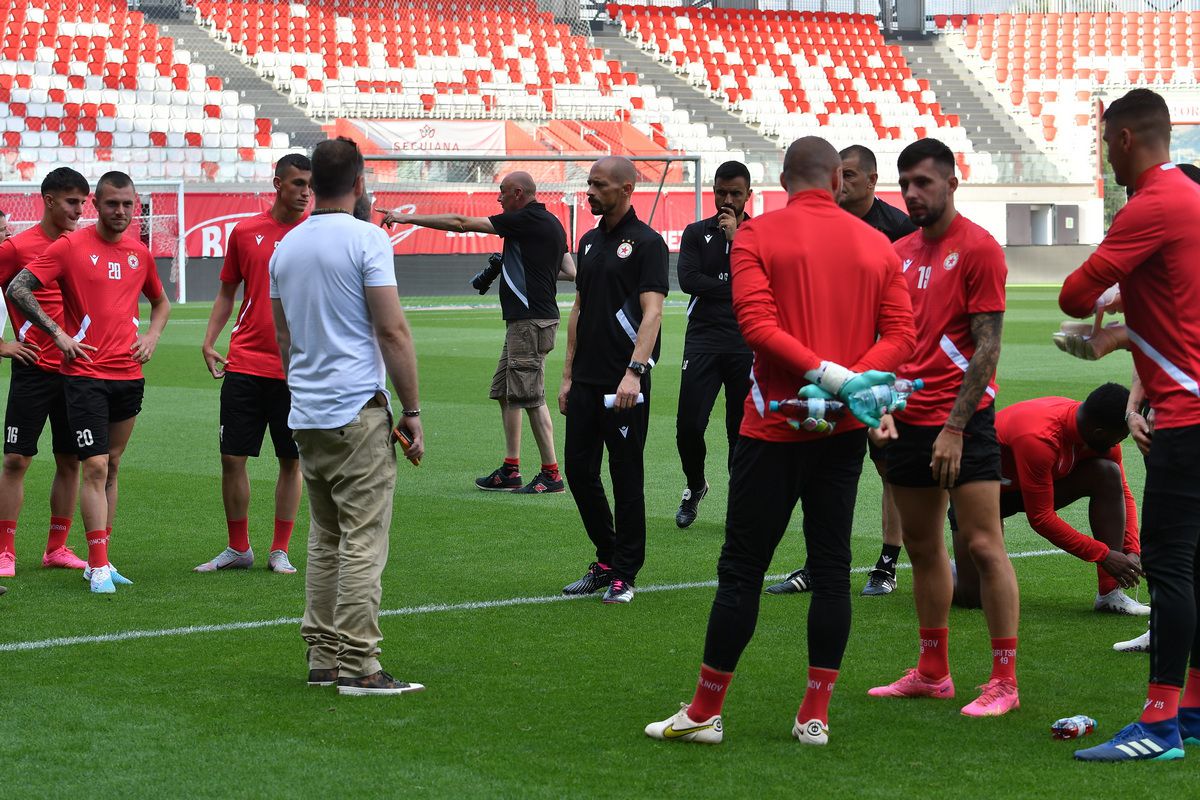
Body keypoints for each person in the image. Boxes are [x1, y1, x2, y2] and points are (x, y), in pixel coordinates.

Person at [645, 136, 915, 746]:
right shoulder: (877, 244)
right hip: (842, 432)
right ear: (836, 179)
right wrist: (851, 384)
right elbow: (902, 333)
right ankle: (812, 714)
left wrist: (826, 376)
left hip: (772, 427)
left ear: (783, 178)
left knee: (741, 570)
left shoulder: (758, 236)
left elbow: (758, 328)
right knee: (830, 565)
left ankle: (705, 712)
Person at [1060, 88, 1200, 762]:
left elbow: (1073, 294)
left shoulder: (1151, 205)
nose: (1103, 154)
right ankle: (1194, 710)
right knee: (1194, 565)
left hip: (1188, 417)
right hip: (1191, 403)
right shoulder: (1192, 201)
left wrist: (1106, 313)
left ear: (1122, 140)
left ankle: (1159, 725)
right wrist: (1130, 320)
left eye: (1101, 141)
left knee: (1171, 567)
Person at [867, 138, 1022, 717]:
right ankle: (933, 672)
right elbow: (888, 341)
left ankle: (1004, 682)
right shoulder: (898, 251)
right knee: (923, 546)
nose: (911, 193)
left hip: (962, 421)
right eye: (905, 183)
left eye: (924, 183)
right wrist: (879, 403)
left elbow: (988, 348)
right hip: (904, 417)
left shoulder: (979, 249)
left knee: (982, 544)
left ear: (952, 184)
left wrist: (955, 426)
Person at [270, 137, 425, 696]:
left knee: (326, 537)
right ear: (359, 182)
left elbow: (283, 337)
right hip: (356, 409)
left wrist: (306, 386)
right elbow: (391, 330)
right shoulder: (367, 240)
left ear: (313, 184)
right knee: (362, 538)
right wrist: (411, 410)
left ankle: (322, 658)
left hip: (306, 411)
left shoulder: (285, 247)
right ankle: (362, 665)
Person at [8, 171, 171, 594]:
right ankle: (55, 559)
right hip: (64, 372)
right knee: (63, 463)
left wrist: (152, 335)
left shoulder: (139, 253)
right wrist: (37, 338)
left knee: (98, 465)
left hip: (114, 373)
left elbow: (160, 301)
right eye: (110, 203)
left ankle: (81, 553)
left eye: (127, 205)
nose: (119, 211)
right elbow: (19, 286)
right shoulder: (53, 246)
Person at [766, 144, 918, 596]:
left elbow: (903, 317)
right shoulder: (816, 227)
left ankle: (887, 563)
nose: (843, 183)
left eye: (852, 175)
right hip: (821, 369)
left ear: (872, 181)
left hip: (878, 370)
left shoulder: (898, 231)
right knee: (818, 468)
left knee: (888, 465)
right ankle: (820, 562)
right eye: (840, 174)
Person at [380, 172, 574, 494]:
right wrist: (532, 268)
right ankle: (511, 469)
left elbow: (460, 222)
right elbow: (570, 271)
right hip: (527, 322)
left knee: (530, 396)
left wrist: (404, 217)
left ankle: (551, 474)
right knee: (505, 392)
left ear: (518, 192)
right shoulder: (551, 222)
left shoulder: (523, 220)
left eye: (501, 193)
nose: (498, 199)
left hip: (530, 322)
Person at [558, 156, 668, 604]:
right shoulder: (586, 242)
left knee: (625, 478)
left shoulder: (647, 244)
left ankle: (626, 572)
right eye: (589, 184)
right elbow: (579, 309)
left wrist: (634, 373)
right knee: (580, 473)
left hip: (624, 385)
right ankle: (606, 558)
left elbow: (653, 313)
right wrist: (566, 375)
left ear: (626, 189)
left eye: (599, 185)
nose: (589, 192)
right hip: (584, 381)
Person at [195, 154, 312, 575]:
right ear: (277, 183)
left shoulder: (314, 233)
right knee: (232, 458)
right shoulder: (245, 232)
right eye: (297, 183)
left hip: (296, 368)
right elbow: (228, 291)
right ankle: (238, 547)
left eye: (310, 186)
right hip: (244, 361)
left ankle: (279, 549)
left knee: (291, 460)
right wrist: (209, 340)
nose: (304, 193)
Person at [949, 384, 1147, 614]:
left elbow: (1122, 491)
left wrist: (1131, 550)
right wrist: (1103, 555)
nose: (1117, 444)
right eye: (1119, 437)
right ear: (1099, 433)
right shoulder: (1039, 438)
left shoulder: (1097, 433)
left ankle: (1110, 594)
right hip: (976, 491)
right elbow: (1041, 518)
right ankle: (943, 565)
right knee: (973, 597)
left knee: (1107, 473)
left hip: (1024, 487)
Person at [0, 168, 90, 578]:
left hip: (76, 370)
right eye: (72, 201)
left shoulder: (83, 246)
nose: (79, 209)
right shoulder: (16, 248)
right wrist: (2, 345)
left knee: (70, 460)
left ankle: (56, 547)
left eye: (83, 202)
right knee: (17, 460)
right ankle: (4, 551)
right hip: (34, 368)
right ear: (49, 200)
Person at [673, 160, 754, 528]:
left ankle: (739, 504)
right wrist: (738, 288)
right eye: (721, 191)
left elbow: (764, 281)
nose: (727, 199)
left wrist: (738, 241)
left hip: (747, 342)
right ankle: (696, 485)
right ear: (713, 191)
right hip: (703, 340)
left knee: (740, 431)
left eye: (736, 193)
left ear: (748, 196)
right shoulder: (695, 232)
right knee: (688, 426)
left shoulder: (760, 235)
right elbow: (689, 280)